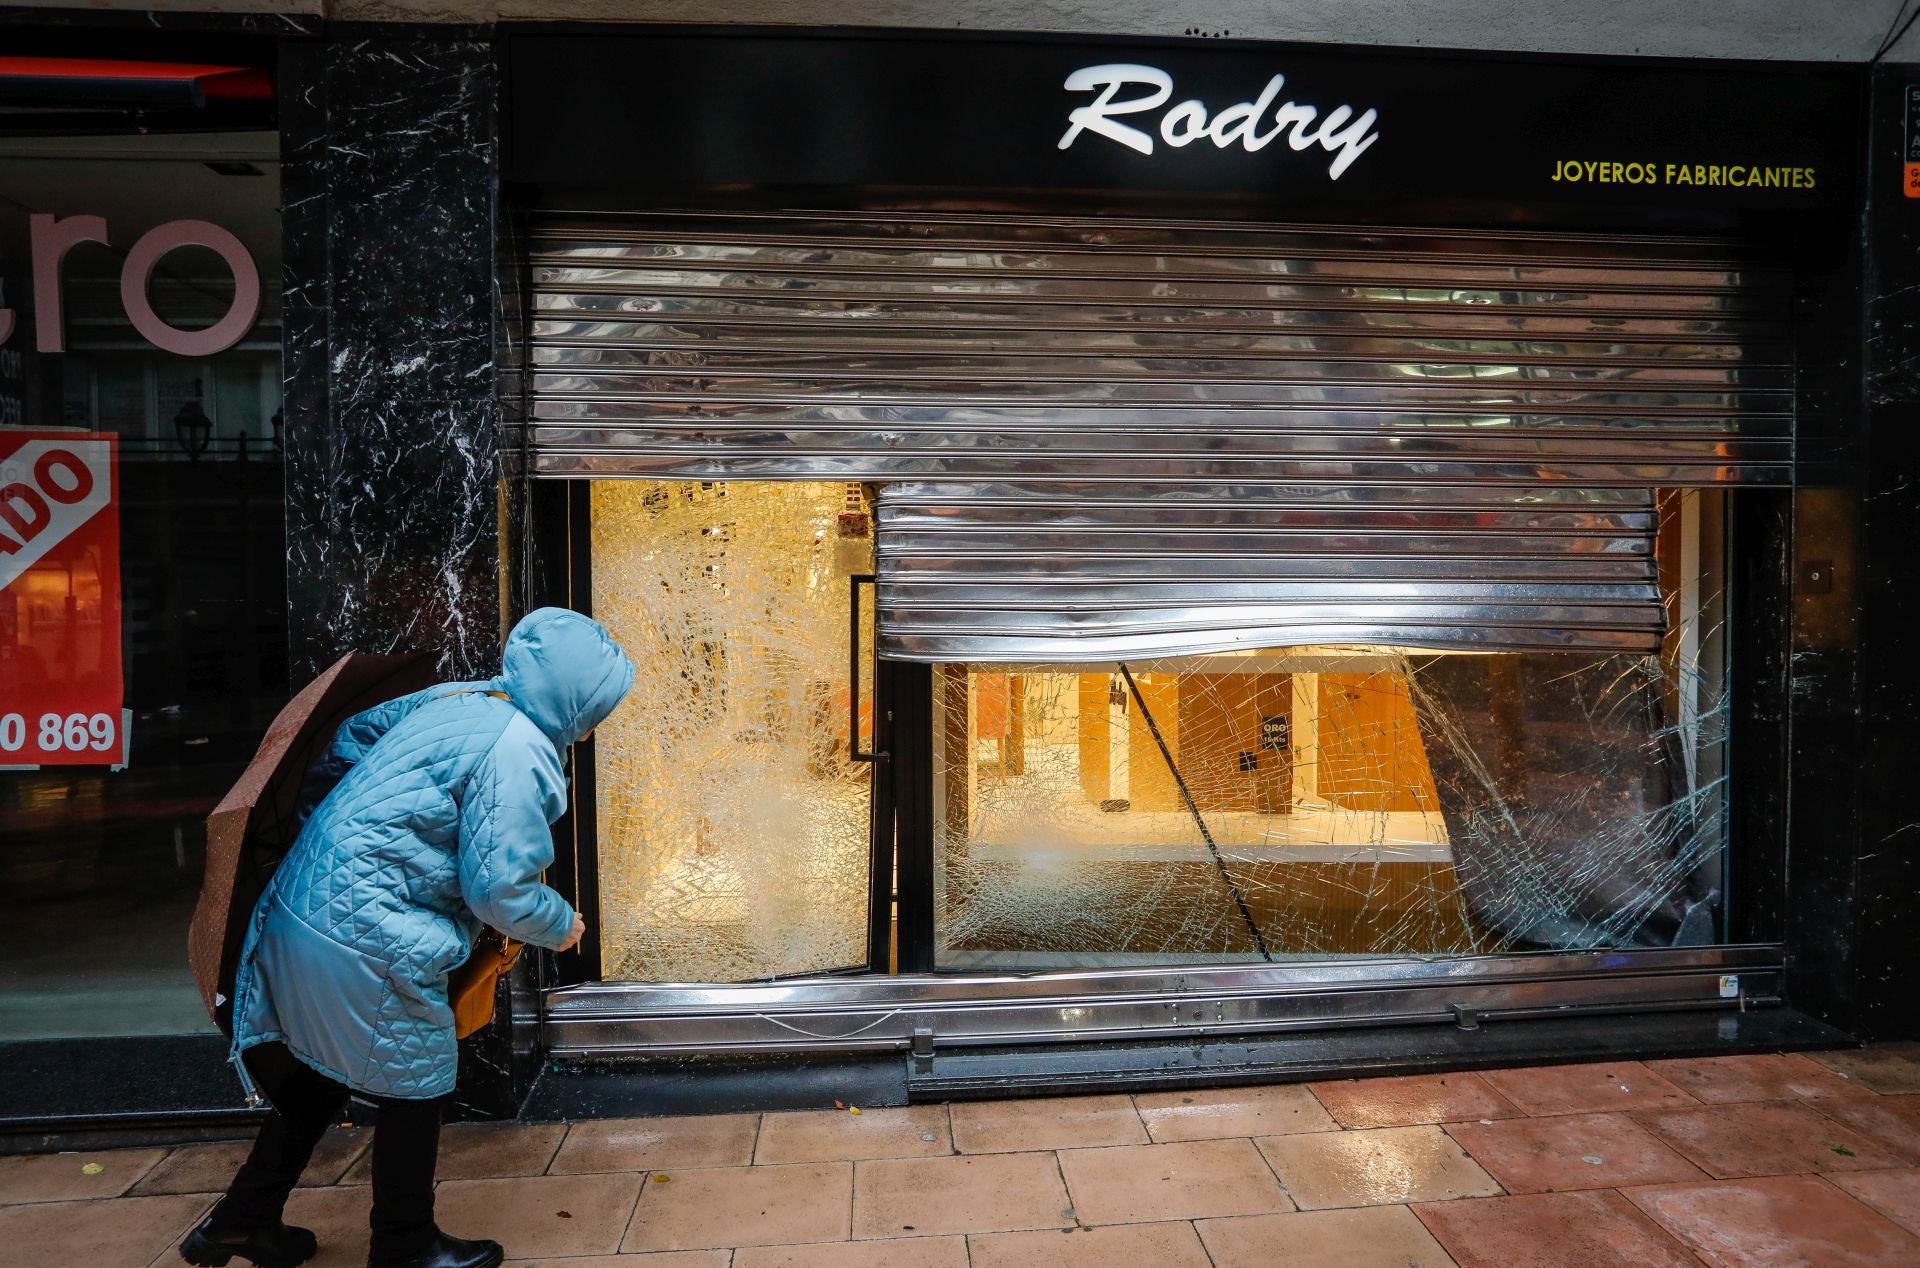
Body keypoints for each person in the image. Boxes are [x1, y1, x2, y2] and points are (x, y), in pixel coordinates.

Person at [180, 608, 636, 1268]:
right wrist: (562, 926)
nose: (596, 726)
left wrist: (349, 837)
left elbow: (348, 739)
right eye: (598, 707)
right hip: (372, 932)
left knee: (316, 1072)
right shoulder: (521, 747)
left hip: (307, 902)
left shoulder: (467, 697)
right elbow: (498, 890)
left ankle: (238, 1222)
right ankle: (405, 1246)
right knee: (417, 1080)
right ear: (575, 698)